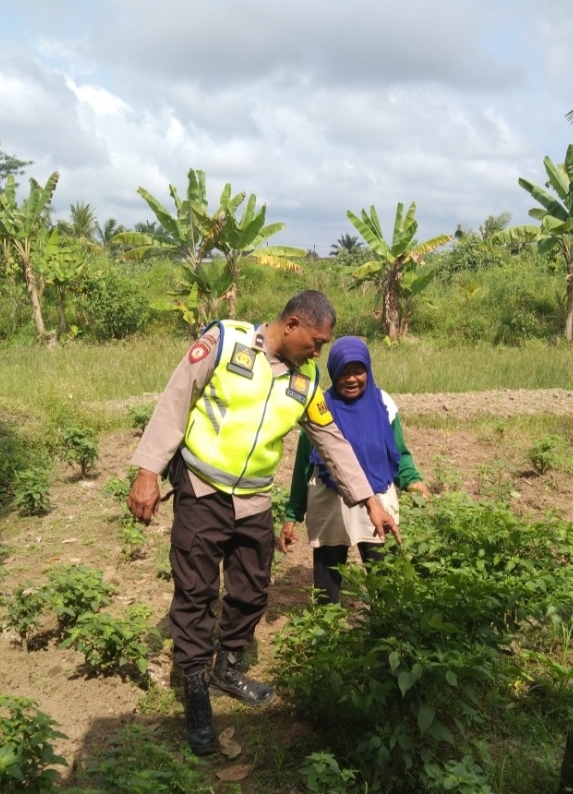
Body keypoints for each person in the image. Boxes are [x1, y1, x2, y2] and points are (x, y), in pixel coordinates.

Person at [127, 291, 400, 756]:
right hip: (202, 488)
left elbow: (332, 441)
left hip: (254, 499)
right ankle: (196, 690)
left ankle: (228, 668)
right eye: (316, 343)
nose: (318, 354)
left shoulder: (306, 381)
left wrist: (370, 501)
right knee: (195, 593)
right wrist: (148, 470)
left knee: (252, 589)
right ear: (292, 325)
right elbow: (176, 400)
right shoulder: (224, 341)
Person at [278, 335, 429, 603]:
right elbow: (304, 466)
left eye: (358, 371)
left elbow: (398, 452)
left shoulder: (383, 404)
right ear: (333, 372)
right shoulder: (319, 408)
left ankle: (385, 625)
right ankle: (328, 624)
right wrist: (293, 514)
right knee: (327, 582)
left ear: (368, 370)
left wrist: (411, 480)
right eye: (344, 372)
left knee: (384, 576)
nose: (351, 379)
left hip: (378, 500)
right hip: (330, 503)